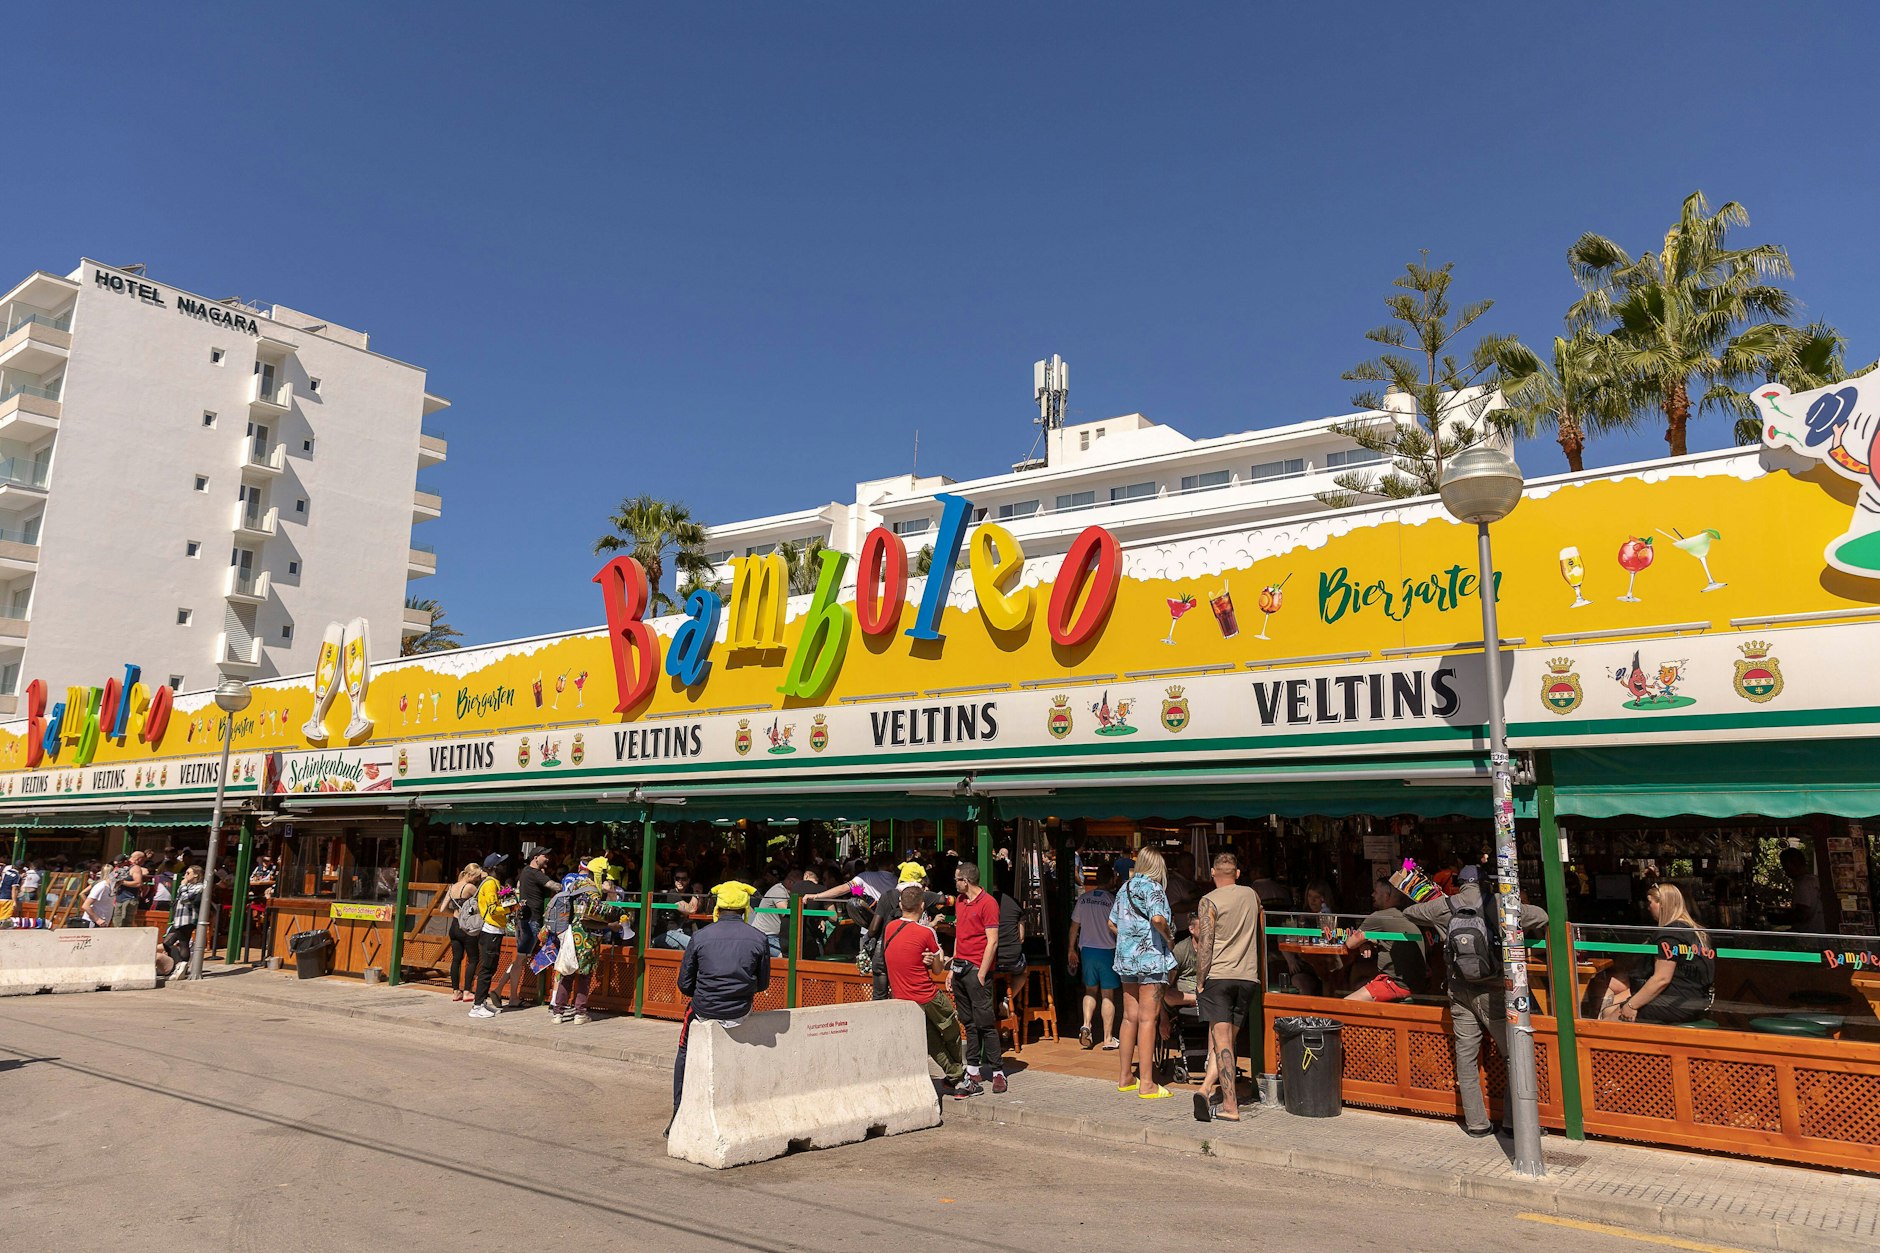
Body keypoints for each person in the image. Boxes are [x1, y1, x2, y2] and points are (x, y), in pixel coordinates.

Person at [1403, 863, 1548, 1138]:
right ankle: (1514, 1122)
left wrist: (1438, 918)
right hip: (1494, 991)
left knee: (1466, 1057)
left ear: (1461, 884)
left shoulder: (1447, 905)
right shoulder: (1500, 905)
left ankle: (1477, 1123)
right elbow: (1541, 917)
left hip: (1459, 991)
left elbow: (1410, 912)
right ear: (1486, 883)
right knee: (1513, 1055)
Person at [671, 881, 772, 1129]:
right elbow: (762, 984)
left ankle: (677, 1113)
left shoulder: (700, 936)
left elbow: (684, 985)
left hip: (704, 1010)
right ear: (745, 908)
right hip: (740, 1011)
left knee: (684, 1050)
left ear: (718, 907)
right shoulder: (759, 938)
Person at [883, 884, 973, 1098]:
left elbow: (906, 957)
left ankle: (955, 1078)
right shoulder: (926, 932)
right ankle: (959, 1077)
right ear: (922, 906)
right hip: (926, 994)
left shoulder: (889, 928)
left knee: (931, 1040)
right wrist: (935, 958)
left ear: (900, 905)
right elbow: (938, 969)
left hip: (901, 996)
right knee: (951, 1027)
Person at [1193, 852, 1263, 1122]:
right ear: (1237, 873)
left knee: (1221, 1043)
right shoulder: (1251, 894)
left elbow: (1206, 944)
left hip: (1219, 976)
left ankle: (1230, 1106)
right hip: (1247, 977)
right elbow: (1260, 916)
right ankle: (1205, 1087)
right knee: (1227, 1044)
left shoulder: (1208, 900)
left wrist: (1200, 980)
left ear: (1212, 873)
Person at [1109, 847, 1177, 1100]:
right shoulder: (1154, 888)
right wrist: (1168, 938)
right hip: (1150, 960)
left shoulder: (1124, 888)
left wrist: (1129, 939)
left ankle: (1125, 1076)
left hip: (1126, 959)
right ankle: (1147, 1083)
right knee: (1149, 1019)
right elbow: (1158, 919)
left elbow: (1111, 922)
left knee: (1129, 1017)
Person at [1598, 883, 1714, 1025]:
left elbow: (1662, 979)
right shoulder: (1698, 932)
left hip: (1676, 1004)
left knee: (1610, 1021)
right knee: (1609, 1010)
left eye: (1650, 902)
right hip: (1697, 1002)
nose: (1648, 907)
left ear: (1662, 904)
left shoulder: (1669, 934)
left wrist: (1631, 1006)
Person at [950, 862, 1008, 1093]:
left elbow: (992, 940)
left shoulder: (988, 903)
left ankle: (997, 1071)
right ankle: (973, 1068)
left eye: (957, 879)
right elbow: (959, 935)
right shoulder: (961, 902)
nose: (955, 883)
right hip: (960, 967)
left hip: (976, 969)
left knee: (985, 1021)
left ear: (966, 880)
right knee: (968, 1021)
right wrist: (953, 966)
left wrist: (982, 972)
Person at [1345, 873, 1430, 1003]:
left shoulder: (1381, 917)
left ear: (1386, 896)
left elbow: (1350, 943)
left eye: (1375, 891)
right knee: (1358, 971)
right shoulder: (1408, 913)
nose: (1372, 895)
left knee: (1345, 1005)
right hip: (1416, 983)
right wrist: (1366, 942)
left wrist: (1363, 941)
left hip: (1394, 984)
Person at [495, 846, 558, 1007]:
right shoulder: (534, 873)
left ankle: (499, 989)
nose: (548, 859)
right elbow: (555, 886)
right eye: (545, 856)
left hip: (525, 920)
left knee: (520, 958)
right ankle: (510, 996)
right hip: (532, 921)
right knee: (520, 959)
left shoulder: (525, 872)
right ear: (535, 857)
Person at [546, 859, 607, 1025]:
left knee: (567, 973)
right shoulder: (593, 889)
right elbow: (591, 915)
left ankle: (558, 1012)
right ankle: (580, 1013)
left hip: (571, 932)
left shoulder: (574, 884)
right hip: (587, 937)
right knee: (585, 975)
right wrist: (610, 922)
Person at [1068, 867, 1121, 1050]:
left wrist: (1070, 949)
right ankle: (1107, 1038)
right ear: (1111, 881)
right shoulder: (1112, 901)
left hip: (1087, 950)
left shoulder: (1083, 899)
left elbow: (1074, 927)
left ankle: (1086, 1024)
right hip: (1107, 950)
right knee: (1107, 995)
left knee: (1090, 990)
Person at [468, 853, 516, 1019]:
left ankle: (481, 1003)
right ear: (495, 868)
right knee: (487, 969)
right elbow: (492, 909)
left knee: (490, 968)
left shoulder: (495, 883)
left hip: (495, 930)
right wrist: (510, 908)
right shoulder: (490, 884)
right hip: (490, 930)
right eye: (501, 864)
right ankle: (476, 1006)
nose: (504, 866)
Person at [441, 862, 485, 1002]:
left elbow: (442, 908)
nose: (478, 879)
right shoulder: (470, 888)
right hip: (467, 927)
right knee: (473, 959)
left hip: (454, 925)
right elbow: (482, 899)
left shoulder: (452, 887)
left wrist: (455, 913)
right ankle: (467, 991)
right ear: (471, 875)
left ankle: (455, 992)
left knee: (456, 959)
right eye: (477, 877)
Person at [164, 866, 204, 972]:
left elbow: (185, 899)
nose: (185, 875)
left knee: (183, 942)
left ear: (195, 874)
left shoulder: (199, 887)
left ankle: (183, 966)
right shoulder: (187, 885)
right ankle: (176, 963)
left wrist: (182, 886)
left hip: (187, 919)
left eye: (188, 873)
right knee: (167, 943)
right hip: (178, 918)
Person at [1781, 848, 1827, 933]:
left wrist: (1780, 919)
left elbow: (1802, 914)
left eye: (1784, 868)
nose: (1785, 872)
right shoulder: (1816, 880)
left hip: (1807, 935)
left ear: (1789, 865)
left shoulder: (1802, 884)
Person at [113, 851, 150, 927]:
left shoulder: (135, 868)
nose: (118, 866)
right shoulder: (120, 868)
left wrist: (122, 882)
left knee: (126, 923)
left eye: (119, 864)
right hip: (118, 899)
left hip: (129, 900)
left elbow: (138, 883)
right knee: (116, 923)